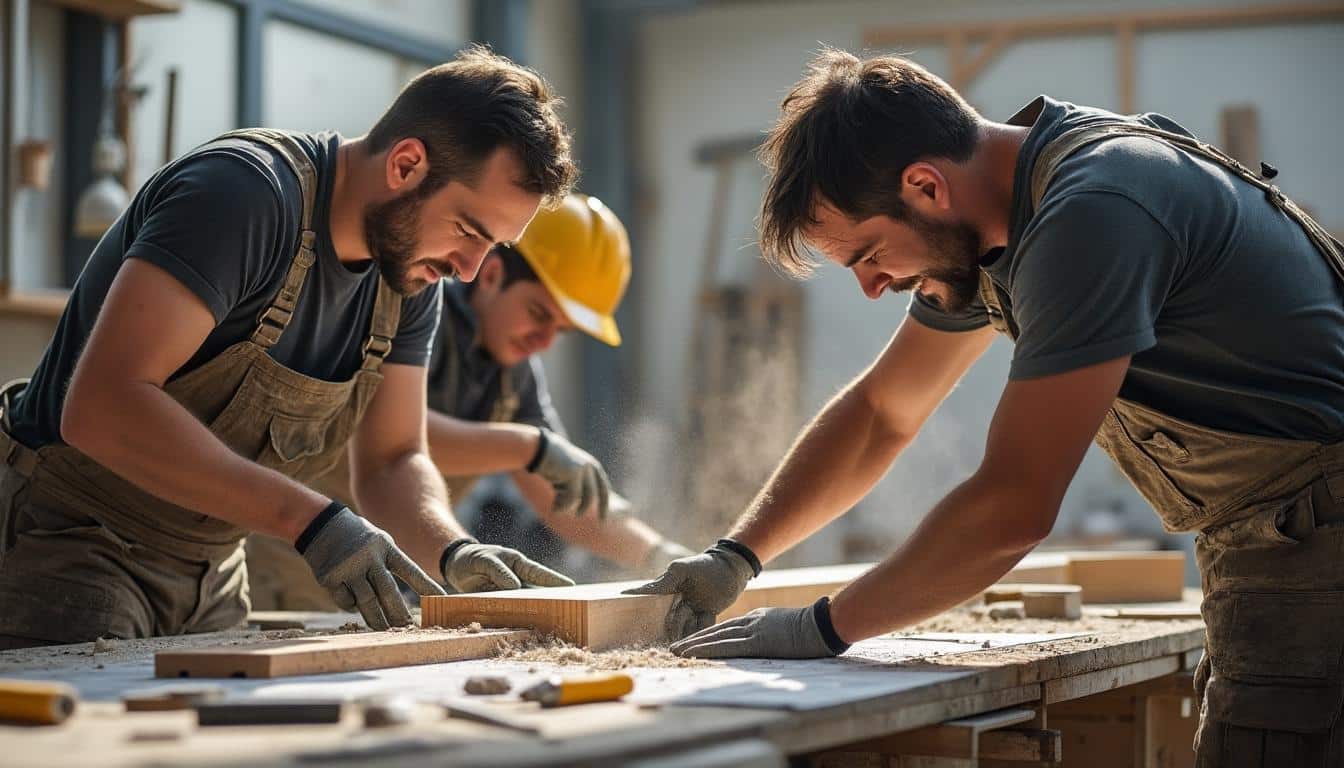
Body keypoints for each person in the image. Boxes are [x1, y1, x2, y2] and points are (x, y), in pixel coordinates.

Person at [630, 49, 1344, 767]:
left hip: (1319, 537)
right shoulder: (1000, 220)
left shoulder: (1093, 214)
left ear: (925, 186)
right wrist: (737, 556)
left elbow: (1014, 503)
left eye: (869, 254)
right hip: (1278, 538)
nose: (874, 288)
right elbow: (884, 411)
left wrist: (823, 628)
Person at [0, 46, 580, 647]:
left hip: (214, 572)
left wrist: (450, 548)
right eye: (467, 230)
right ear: (406, 164)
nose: (468, 271)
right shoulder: (244, 196)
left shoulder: (407, 273)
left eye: (493, 248)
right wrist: (312, 520)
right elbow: (101, 407)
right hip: (70, 544)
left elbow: (393, 458)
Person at [245, 195, 692, 608]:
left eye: (560, 330)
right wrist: (526, 447)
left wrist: (660, 556)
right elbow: (393, 442)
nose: (544, 341)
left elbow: (565, 499)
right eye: (539, 314)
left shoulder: (514, 371)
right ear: (493, 274)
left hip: (385, 568)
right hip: (296, 558)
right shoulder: (412, 308)